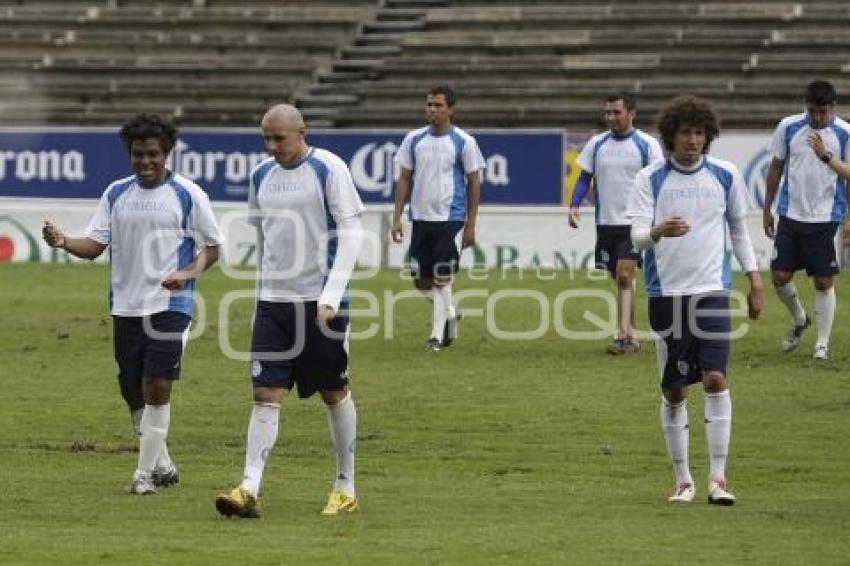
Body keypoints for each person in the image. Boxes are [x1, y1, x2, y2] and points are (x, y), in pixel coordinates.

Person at [42, 113, 224, 495]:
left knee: (157, 384)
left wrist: (187, 274)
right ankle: (163, 463)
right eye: (138, 154)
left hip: (171, 304)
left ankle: (142, 476)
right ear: (130, 153)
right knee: (132, 390)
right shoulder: (116, 193)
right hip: (125, 306)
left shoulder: (189, 194)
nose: (145, 162)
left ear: (167, 153)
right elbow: (94, 246)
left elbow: (212, 249)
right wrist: (64, 242)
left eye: (153, 154)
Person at [215, 104, 365, 518]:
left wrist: (332, 294)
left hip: (321, 306)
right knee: (265, 394)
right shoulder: (261, 176)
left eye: (278, 138)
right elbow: (263, 236)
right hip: (274, 305)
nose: (271, 146)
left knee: (333, 393)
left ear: (303, 132)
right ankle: (248, 487)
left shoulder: (329, 168)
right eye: (265, 138)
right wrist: (262, 291)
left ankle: (345, 485)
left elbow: (351, 233)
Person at [628, 95, 764, 505]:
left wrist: (755, 280)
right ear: (671, 136)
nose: (692, 140)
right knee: (674, 391)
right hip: (667, 295)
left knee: (716, 378)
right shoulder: (649, 179)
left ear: (709, 137)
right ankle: (683, 480)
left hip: (712, 292)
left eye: (699, 133)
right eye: (685, 132)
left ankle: (718, 479)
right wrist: (658, 231)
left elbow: (738, 231)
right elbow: (635, 237)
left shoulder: (725, 175)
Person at [390, 85, 485, 352]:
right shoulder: (413, 139)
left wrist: (470, 223)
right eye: (429, 105)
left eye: (438, 105)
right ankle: (450, 313)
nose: (432, 110)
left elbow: (474, 182)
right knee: (421, 281)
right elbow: (405, 178)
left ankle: (436, 336)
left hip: (450, 220)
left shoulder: (464, 142)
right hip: (420, 218)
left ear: (451, 110)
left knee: (442, 277)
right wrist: (397, 217)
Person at [569, 92, 664, 354]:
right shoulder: (596, 144)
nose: (610, 117)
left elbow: (660, 182)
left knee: (624, 275)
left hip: (635, 223)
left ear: (631, 113)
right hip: (605, 224)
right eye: (607, 112)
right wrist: (575, 204)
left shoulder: (647, 145)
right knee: (622, 280)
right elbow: (583, 178)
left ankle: (621, 336)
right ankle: (632, 334)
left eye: (616, 112)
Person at [763, 79, 850, 360]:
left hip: (826, 217)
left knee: (823, 281)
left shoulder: (845, 134)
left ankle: (821, 345)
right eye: (812, 110)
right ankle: (800, 318)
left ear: (833, 108)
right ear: (805, 106)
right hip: (791, 214)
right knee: (779, 276)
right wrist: (767, 208)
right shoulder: (788, 127)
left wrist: (826, 156)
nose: (817, 117)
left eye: (822, 111)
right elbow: (776, 168)